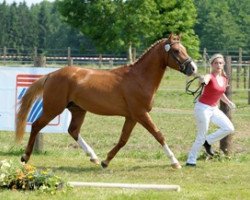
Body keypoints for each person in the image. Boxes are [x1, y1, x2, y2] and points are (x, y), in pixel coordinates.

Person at [186, 53, 235, 167]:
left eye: (220, 63)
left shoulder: (224, 78)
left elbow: (220, 92)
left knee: (229, 128)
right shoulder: (209, 76)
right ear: (212, 64)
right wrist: (203, 79)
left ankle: (207, 141)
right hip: (202, 108)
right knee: (201, 135)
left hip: (214, 108)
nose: (218, 65)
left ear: (223, 64)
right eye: (216, 63)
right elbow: (205, 80)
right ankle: (191, 160)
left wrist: (228, 102)